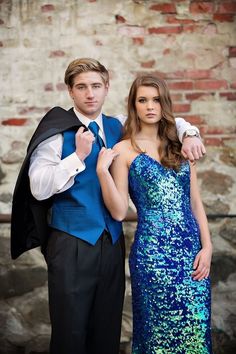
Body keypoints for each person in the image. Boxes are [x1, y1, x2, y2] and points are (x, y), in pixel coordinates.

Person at [10, 59, 206, 354]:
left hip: (112, 242)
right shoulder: (55, 130)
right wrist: (77, 157)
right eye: (82, 87)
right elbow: (38, 187)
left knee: (107, 332)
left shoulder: (117, 126)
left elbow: (163, 118)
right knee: (70, 333)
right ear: (70, 92)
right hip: (71, 241)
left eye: (96, 86)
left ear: (106, 89)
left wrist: (190, 133)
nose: (90, 94)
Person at [96, 75, 212, 353]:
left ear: (165, 104)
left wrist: (207, 247)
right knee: (155, 337)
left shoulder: (181, 146)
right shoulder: (123, 150)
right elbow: (119, 211)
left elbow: (195, 203)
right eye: (142, 100)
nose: (150, 106)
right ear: (133, 105)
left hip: (192, 255)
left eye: (156, 100)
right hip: (152, 258)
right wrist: (102, 172)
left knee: (195, 334)